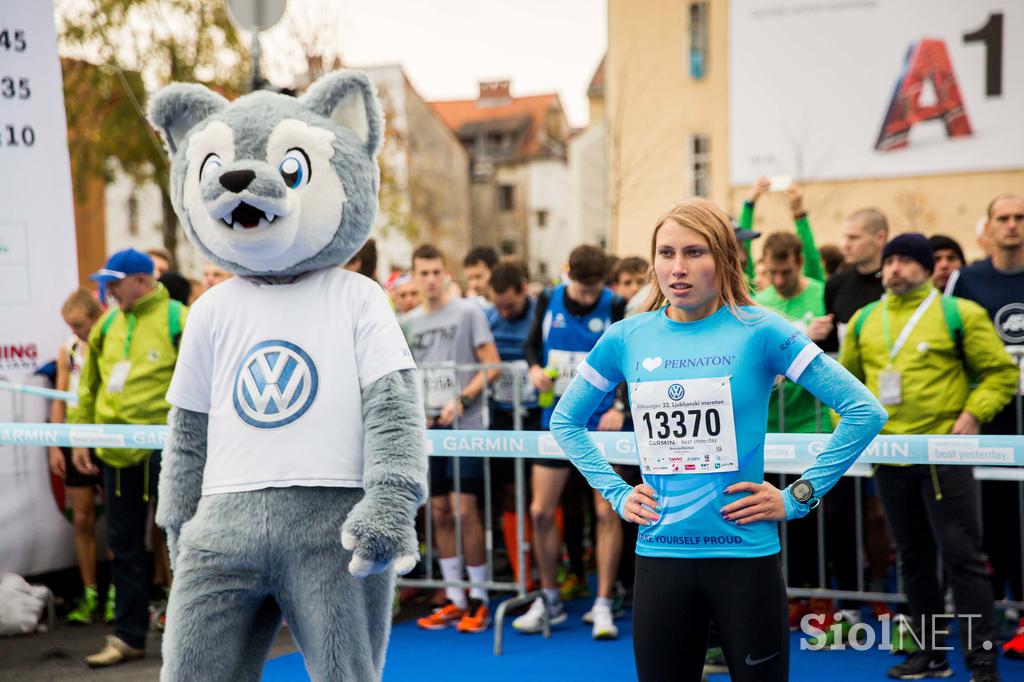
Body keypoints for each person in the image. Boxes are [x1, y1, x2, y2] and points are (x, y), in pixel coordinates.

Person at [549, 198, 885, 681]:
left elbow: (863, 411)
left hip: (744, 557)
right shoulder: (627, 336)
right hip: (661, 556)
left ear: (725, 259)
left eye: (694, 252)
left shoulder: (762, 329)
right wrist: (617, 493)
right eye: (666, 254)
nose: (678, 268)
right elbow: (565, 421)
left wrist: (798, 497)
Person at [840, 233, 1017, 682]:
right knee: (913, 559)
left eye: (905, 260)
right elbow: (845, 385)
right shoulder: (865, 319)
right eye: (890, 260)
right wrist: (853, 430)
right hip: (890, 455)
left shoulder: (958, 313)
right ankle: (930, 654)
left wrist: (974, 414)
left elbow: (999, 372)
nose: (894, 267)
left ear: (924, 267)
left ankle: (981, 663)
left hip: (945, 453)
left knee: (963, 558)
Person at [67, 248, 187, 667]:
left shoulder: (179, 317)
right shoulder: (106, 327)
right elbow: (87, 389)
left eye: (116, 283)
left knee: (181, 543)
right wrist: (80, 440)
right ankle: (128, 635)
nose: (110, 291)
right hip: (115, 452)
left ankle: (192, 636)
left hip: (169, 449)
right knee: (123, 546)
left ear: (142, 279)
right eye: (107, 283)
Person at [517, 244, 629, 640]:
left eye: (593, 289)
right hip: (557, 421)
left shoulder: (615, 305)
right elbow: (531, 345)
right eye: (582, 289)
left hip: (603, 426)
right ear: (570, 278)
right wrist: (533, 369)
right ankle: (549, 598)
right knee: (541, 511)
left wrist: (619, 404)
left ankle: (602, 605)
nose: (586, 297)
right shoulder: (548, 298)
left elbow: (626, 359)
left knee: (606, 512)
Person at [406, 244, 501, 634]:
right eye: (422, 273)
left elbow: (492, 366)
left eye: (435, 272)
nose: (429, 280)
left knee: (465, 510)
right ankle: (453, 596)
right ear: (413, 276)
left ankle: (478, 596)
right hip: (428, 430)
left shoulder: (468, 312)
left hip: (467, 426)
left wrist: (462, 400)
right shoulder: (407, 322)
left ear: (446, 273)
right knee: (440, 511)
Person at [945, 194, 1024, 656]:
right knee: (991, 519)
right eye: (1004, 218)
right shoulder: (967, 280)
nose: (1012, 225)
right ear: (989, 226)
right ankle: (994, 609)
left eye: (1019, 218)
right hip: (986, 420)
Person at [49, 289, 112, 625]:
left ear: (96, 316)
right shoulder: (69, 348)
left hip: (110, 436)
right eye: (69, 326)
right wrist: (56, 444)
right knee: (83, 518)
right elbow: (59, 396)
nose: (75, 331)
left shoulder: (111, 342)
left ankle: (119, 593)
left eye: (79, 325)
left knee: (118, 521)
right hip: (76, 436)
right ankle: (90, 594)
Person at [486, 259, 541, 589]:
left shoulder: (539, 314)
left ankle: (549, 562)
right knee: (508, 493)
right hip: (502, 414)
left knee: (541, 495)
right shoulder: (488, 318)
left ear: (523, 290)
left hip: (537, 413)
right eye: (498, 307)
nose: (503, 313)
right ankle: (523, 576)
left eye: (510, 306)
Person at [821, 208, 889, 353]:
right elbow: (832, 347)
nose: (845, 245)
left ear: (880, 238)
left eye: (854, 238)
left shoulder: (896, 283)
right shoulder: (835, 284)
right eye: (844, 238)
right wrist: (816, 337)